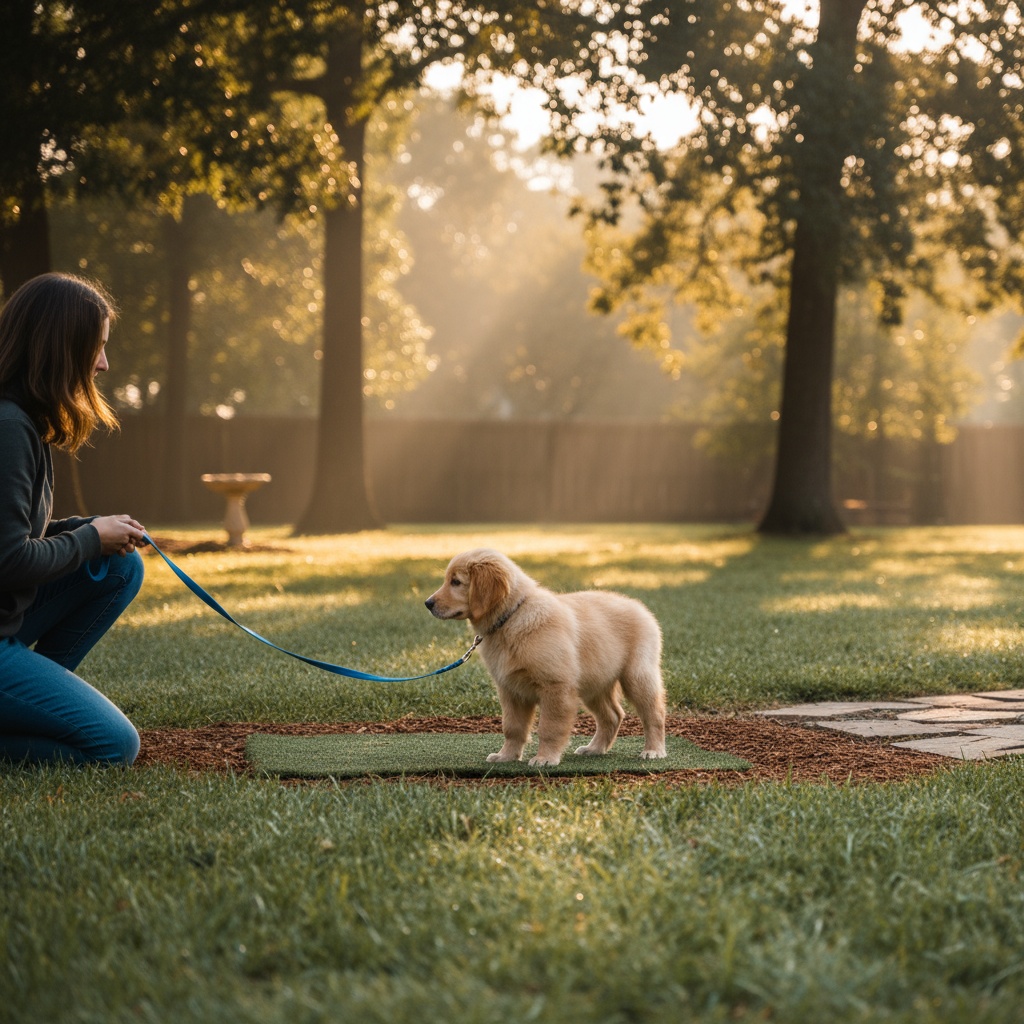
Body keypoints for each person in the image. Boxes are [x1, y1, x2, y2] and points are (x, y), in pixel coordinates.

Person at [0, 272, 149, 765]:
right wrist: (88, 538)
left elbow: (16, 533)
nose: (104, 364)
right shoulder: (8, 427)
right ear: (60, 348)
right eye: (96, 347)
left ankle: (27, 702)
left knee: (122, 566)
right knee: (113, 746)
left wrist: (88, 530)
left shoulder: (21, 420)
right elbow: (9, 560)